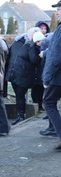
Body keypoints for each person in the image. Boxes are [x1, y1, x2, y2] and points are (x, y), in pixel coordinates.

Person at [5, 27, 42, 125]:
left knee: (20, 96)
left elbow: (35, 60)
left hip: (24, 75)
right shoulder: (18, 42)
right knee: (18, 96)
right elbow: (10, 55)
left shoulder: (33, 46)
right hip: (13, 74)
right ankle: (20, 115)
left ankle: (21, 116)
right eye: (30, 34)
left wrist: (33, 46)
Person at [42, 0, 61, 150]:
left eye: (59, 10)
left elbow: (55, 56)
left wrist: (46, 78)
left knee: (48, 103)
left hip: (57, 76)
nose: (57, 12)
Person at [31, 21, 50, 112]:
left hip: (41, 72)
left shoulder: (41, 47)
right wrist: (40, 57)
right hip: (35, 73)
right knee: (36, 90)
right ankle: (37, 105)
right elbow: (34, 60)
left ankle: (40, 105)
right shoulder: (34, 49)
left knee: (40, 89)